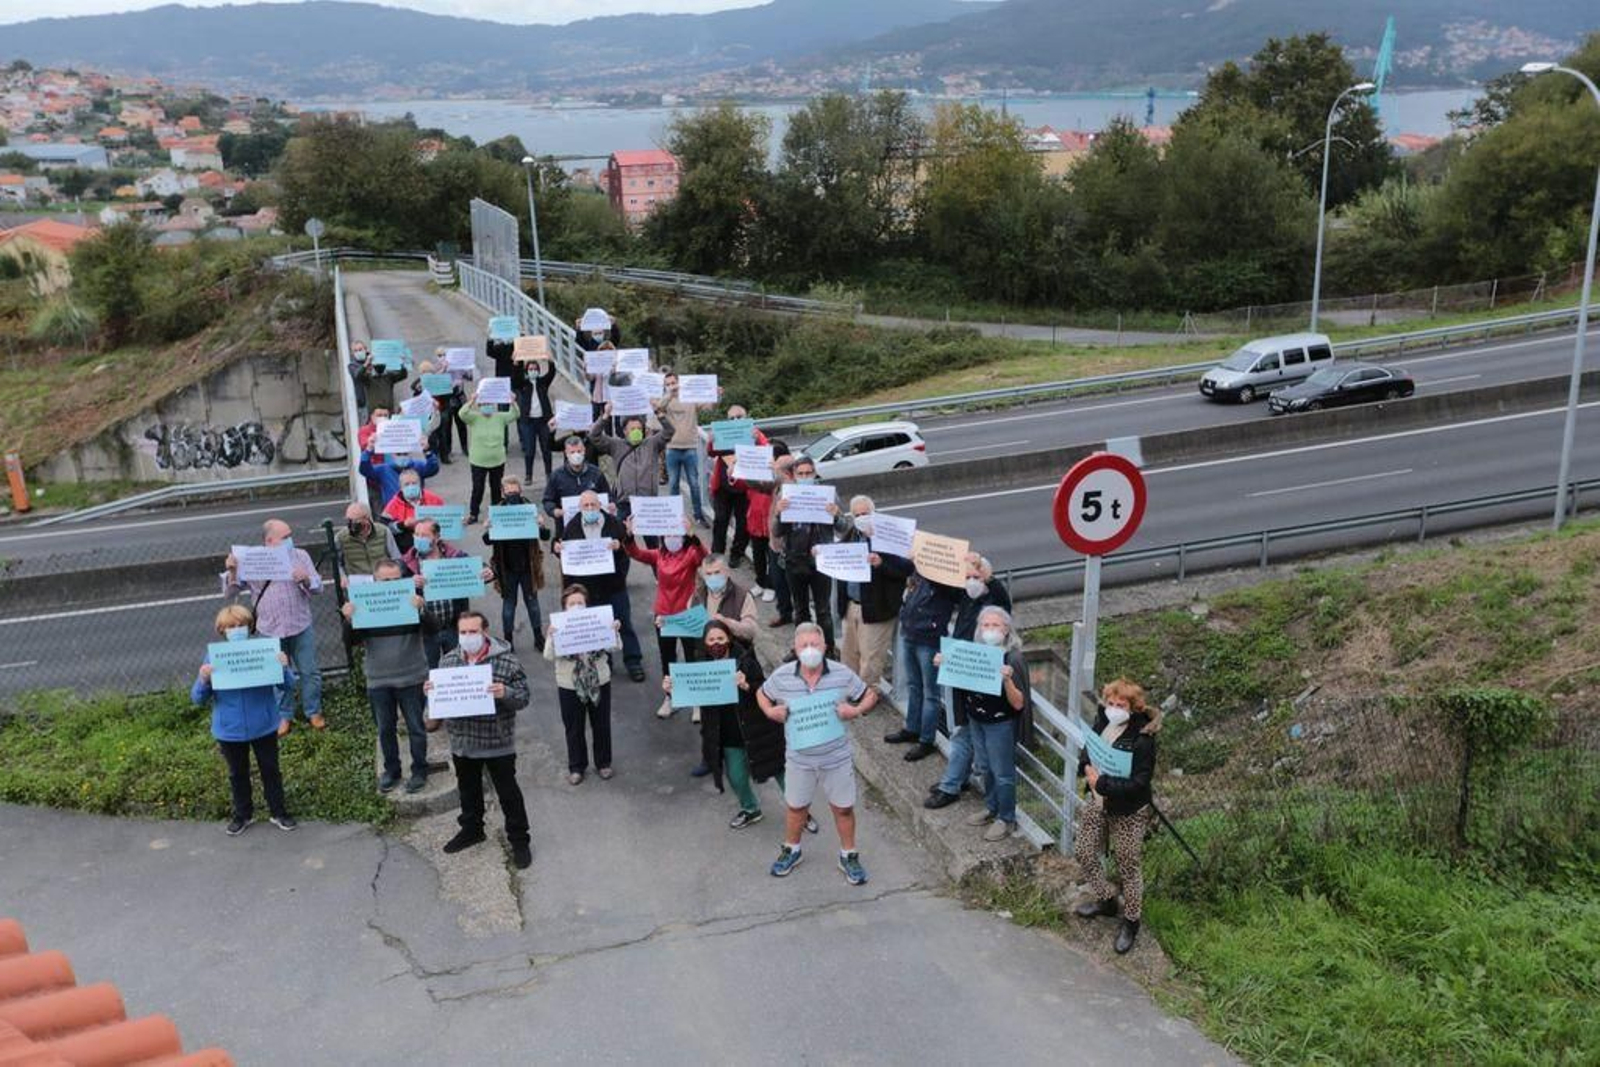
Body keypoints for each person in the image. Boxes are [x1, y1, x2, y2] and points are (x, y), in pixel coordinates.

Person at [757, 622, 878, 885]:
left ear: (825, 646)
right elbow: (761, 694)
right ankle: (792, 850)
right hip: (799, 759)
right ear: (795, 648)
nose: (810, 650)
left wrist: (854, 711)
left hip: (836, 757)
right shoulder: (782, 676)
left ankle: (848, 855)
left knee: (843, 808)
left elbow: (870, 695)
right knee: (796, 807)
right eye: (804, 645)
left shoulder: (842, 674)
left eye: (815, 644)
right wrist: (769, 711)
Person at [425, 612, 533, 870]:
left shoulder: (507, 662)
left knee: (508, 794)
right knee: (468, 790)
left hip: (497, 741)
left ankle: (519, 841)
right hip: (464, 741)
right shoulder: (449, 661)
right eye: (463, 632)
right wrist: (431, 693)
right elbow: (436, 710)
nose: (467, 637)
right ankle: (472, 830)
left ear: (485, 632)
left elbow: (524, 698)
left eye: (473, 632)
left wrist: (505, 692)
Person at [191, 605, 297, 835]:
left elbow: (287, 686)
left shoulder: (264, 651)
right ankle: (243, 815)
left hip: (264, 725)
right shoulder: (214, 657)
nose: (236, 629)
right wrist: (203, 679)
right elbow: (198, 698)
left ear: (250, 627)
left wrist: (284, 668)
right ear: (222, 630)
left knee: (271, 769)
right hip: (229, 729)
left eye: (240, 625)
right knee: (237, 773)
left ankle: (278, 811)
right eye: (231, 626)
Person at [1073, 678, 1161, 954]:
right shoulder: (1103, 721)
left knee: (1128, 865)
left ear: (1133, 707)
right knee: (1084, 851)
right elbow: (1090, 747)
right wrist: (1086, 766)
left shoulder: (1142, 739)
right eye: (1110, 703)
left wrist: (1103, 784)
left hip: (1127, 811)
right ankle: (1107, 900)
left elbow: (1139, 783)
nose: (1113, 708)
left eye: (1120, 705)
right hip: (1098, 802)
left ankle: (1131, 921)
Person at [927, 607, 1030, 840]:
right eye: (986, 625)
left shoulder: (1013, 657)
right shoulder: (974, 652)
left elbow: (1018, 703)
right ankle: (992, 807)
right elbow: (960, 678)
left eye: (996, 626)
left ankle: (1006, 818)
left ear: (1006, 630)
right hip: (976, 719)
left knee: (1002, 772)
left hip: (1000, 724)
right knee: (985, 767)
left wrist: (1007, 680)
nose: (990, 630)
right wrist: (944, 663)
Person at [925, 552, 1013, 808]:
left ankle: (951, 785)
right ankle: (958, 777)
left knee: (962, 731)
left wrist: (988, 577)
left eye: (977, 577)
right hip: (960, 670)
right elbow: (941, 585)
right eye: (968, 577)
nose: (972, 581)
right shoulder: (966, 596)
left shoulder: (992, 603)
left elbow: (1004, 603)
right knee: (962, 729)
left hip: (979, 676)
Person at [224, 519, 324, 731]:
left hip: (300, 624)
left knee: (310, 671)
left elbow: (318, 587)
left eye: (290, 535)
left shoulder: (301, 555)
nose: (290, 540)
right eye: (285, 537)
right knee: (277, 673)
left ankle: (313, 711)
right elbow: (231, 592)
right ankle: (283, 715)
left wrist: (306, 579)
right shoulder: (252, 559)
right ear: (270, 541)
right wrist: (233, 571)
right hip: (270, 629)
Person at [341, 559, 431, 794]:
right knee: (384, 728)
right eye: (385, 581)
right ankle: (392, 771)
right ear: (375, 581)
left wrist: (422, 610)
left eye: (395, 580)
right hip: (379, 678)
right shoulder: (365, 605)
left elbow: (434, 629)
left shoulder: (412, 601)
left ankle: (420, 769)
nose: (391, 585)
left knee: (416, 727)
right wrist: (349, 620)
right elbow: (349, 643)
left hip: (411, 675)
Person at [555, 490, 645, 681]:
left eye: (593, 505)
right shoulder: (571, 527)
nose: (589, 509)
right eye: (586, 506)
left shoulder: (614, 524)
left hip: (613, 585)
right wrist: (556, 548)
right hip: (589, 590)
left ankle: (633, 661)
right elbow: (561, 546)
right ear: (580, 508)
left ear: (599, 506)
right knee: (599, 627)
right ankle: (606, 662)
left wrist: (621, 545)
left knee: (623, 623)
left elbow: (627, 546)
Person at [625, 516, 707, 716]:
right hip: (664, 615)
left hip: (687, 615)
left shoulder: (691, 554)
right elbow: (636, 553)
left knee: (692, 658)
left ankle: (696, 701)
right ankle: (671, 697)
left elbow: (706, 557)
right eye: (667, 534)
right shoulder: (658, 555)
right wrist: (629, 535)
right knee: (668, 658)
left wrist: (693, 535)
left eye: (676, 534)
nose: (671, 537)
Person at [884, 563, 962, 763]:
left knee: (931, 694)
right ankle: (912, 728)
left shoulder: (948, 579)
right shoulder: (919, 573)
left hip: (930, 640)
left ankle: (926, 740)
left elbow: (955, 595)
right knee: (913, 686)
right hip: (910, 634)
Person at [543, 584, 619, 785]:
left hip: (599, 681)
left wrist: (613, 630)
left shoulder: (597, 622)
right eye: (571, 603)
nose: (576, 606)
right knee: (574, 727)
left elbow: (615, 647)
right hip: (569, 684)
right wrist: (551, 636)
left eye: (580, 603)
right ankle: (577, 767)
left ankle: (603, 763)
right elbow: (548, 655)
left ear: (587, 605)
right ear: (564, 607)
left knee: (601, 724)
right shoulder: (558, 627)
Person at [772, 455, 848, 653]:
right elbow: (777, 532)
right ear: (794, 475)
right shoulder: (786, 495)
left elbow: (843, 528)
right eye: (801, 473)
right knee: (801, 609)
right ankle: (802, 649)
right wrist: (779, 514)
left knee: (823, 611)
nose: (805, 476)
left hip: (821, 560)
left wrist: (836, 515)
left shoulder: (828, 495)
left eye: (808, 473)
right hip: (794, 559)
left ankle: (828, 648)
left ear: (814, 473)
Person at [834, 495, 906, 690]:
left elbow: (905, 568)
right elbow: (837, 554)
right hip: (851, 604)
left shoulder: (890, 535)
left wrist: (881, 562)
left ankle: (868, 693)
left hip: (877, 607)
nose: (861, 518)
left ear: (875, 514)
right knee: (849, 653)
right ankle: (849, 689)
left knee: (871, 657)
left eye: (865, 514)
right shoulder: (852, 533)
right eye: (857, 514)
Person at [403, 518, 492, 669]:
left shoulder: (455, 556)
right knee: (430, 671)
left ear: (437, 537)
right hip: (425, 632)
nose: (419, 539)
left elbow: (477, 569)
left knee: (459, 668)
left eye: (424, 535)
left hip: (453, 626)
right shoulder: (406, 563)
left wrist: (487, 571)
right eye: (416, 534)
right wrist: (408, 584)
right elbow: (395, 590)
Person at [484, 474, 547, 652]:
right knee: (509, 605)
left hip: (528, 566)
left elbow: (545, 536)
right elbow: (487, 541)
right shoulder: (497, 511)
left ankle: (538, 637)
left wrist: (541, 526)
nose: (512, 494)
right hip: (507, 568)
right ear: (503, 493)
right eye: (508, 491)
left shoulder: (530, 509)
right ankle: (508, 640)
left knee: (532, 604)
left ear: (520, 490)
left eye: (515, 490)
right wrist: (488, 529)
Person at [588, 403, 677, 520]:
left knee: (652, 538)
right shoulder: (616, 445)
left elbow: (669, 431)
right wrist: (605, 416)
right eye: (633, 429)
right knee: (623, 535)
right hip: (625, 502)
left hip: (647, 503)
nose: (636, 431)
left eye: (639, 428)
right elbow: (594, 436)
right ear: (625, 431)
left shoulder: (652, 444)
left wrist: (659, 413)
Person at [707, 403, 764, 563]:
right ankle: (717, 554)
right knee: (720, 520)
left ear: (746, 418)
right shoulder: (723, 433)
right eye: (732, 418)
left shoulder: (754, 433)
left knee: (743, 523)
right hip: (723, 487)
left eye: (739, 417)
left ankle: (736, 554)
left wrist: (757, 439)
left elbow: (765, 450)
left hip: (745, 488)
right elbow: (711, 452)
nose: (735, 420)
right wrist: (711, 441)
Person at [461, 384, 519, 525]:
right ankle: (473, 514)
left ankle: (496, 514)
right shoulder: (474, 418)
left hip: (497, 460)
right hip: (478, 461)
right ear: (479, 406)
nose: (487, 406)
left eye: (489, 404)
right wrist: (472, 400)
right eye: (483, 404)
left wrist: (513, 401)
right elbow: (462, 414)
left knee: (496, 488)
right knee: (478, 488)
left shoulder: (500, 417)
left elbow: (515, 414)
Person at [660, 371, 708, 526]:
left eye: (674, 382)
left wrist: (717, 395)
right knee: (673, 484)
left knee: (694, 483)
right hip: (672, 447)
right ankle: (675, 517)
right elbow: (658, 408)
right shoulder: (665, 400)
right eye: (668, 384)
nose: (671, 386)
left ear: (679, 382)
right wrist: (669, 394)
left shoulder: (690, 397)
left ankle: (699, 515)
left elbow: (708, 405)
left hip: (690, 447)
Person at [542, 436, 611, 537]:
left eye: (579, 451)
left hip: (595, 527)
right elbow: (547, 500)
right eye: (572, 452)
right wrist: (554, 511)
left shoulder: (596, 473)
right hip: (567, 528)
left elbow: (608, 495)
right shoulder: (556, 476)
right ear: (566, 453)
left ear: (584, 451)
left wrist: (611, 504)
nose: (576, 455)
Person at [693, 553, 757, 645]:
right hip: (705, 652)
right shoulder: (698, 595)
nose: (713, 577)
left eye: (717, 572)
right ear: (703, 575)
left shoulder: (742, 596)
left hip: (733, 651)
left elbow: (751, 631)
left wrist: (728, 623)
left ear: (727, 572)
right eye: (708, 574)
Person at [764, 451, 796, 624]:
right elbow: (759, 485)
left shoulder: (795, 492)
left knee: (794, 585)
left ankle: (799, 618)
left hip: (789, 548)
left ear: (785, 473)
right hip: (774, 545)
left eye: (776, 468)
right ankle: (784, 613)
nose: (773, 470)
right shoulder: (778, 484)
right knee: (779, 582)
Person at [380, 468, 443, 556]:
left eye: (414, 483)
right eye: (407, 484)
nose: (411, 486)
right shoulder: (393, 504)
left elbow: (446, 520)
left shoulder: (434, 499)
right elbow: (384, 528)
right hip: (406, 551)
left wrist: (458, 522)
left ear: (420, 484)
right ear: (401, 487)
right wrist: (403, 525)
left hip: (433, 547)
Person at [335, 502, 401, 586]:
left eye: (355, 521)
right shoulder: (341, 537)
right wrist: (342, 577)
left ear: (366, 518)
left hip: (384, 582)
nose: (350, 524)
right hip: (358, 585)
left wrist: (393, 577)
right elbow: (337, 563)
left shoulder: (383, 531)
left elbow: (396, 558)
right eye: (348, 520)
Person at [359, 445, 440, 510]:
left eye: (405, 454)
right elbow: (365, 470)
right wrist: (369, 450)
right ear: (392, 454)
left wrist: (427, 451)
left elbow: (433, 468)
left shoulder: (418, 466)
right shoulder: (383, 470)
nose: (402, 457)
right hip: (394, 511)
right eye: (398, 454)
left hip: (417, 508)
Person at [519, 352, 558, 481]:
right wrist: (517, 362)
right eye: (530, 369)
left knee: (546, 449)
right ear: (526, 371)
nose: (533, 371)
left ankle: (549, 473)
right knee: (529, 450)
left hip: (543, 421)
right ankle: (528, 475)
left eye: (535, 369)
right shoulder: (523, 384)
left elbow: (552, 373)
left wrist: (550, 361)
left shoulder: (542, 382)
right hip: (528, 421)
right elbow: (514, 378)